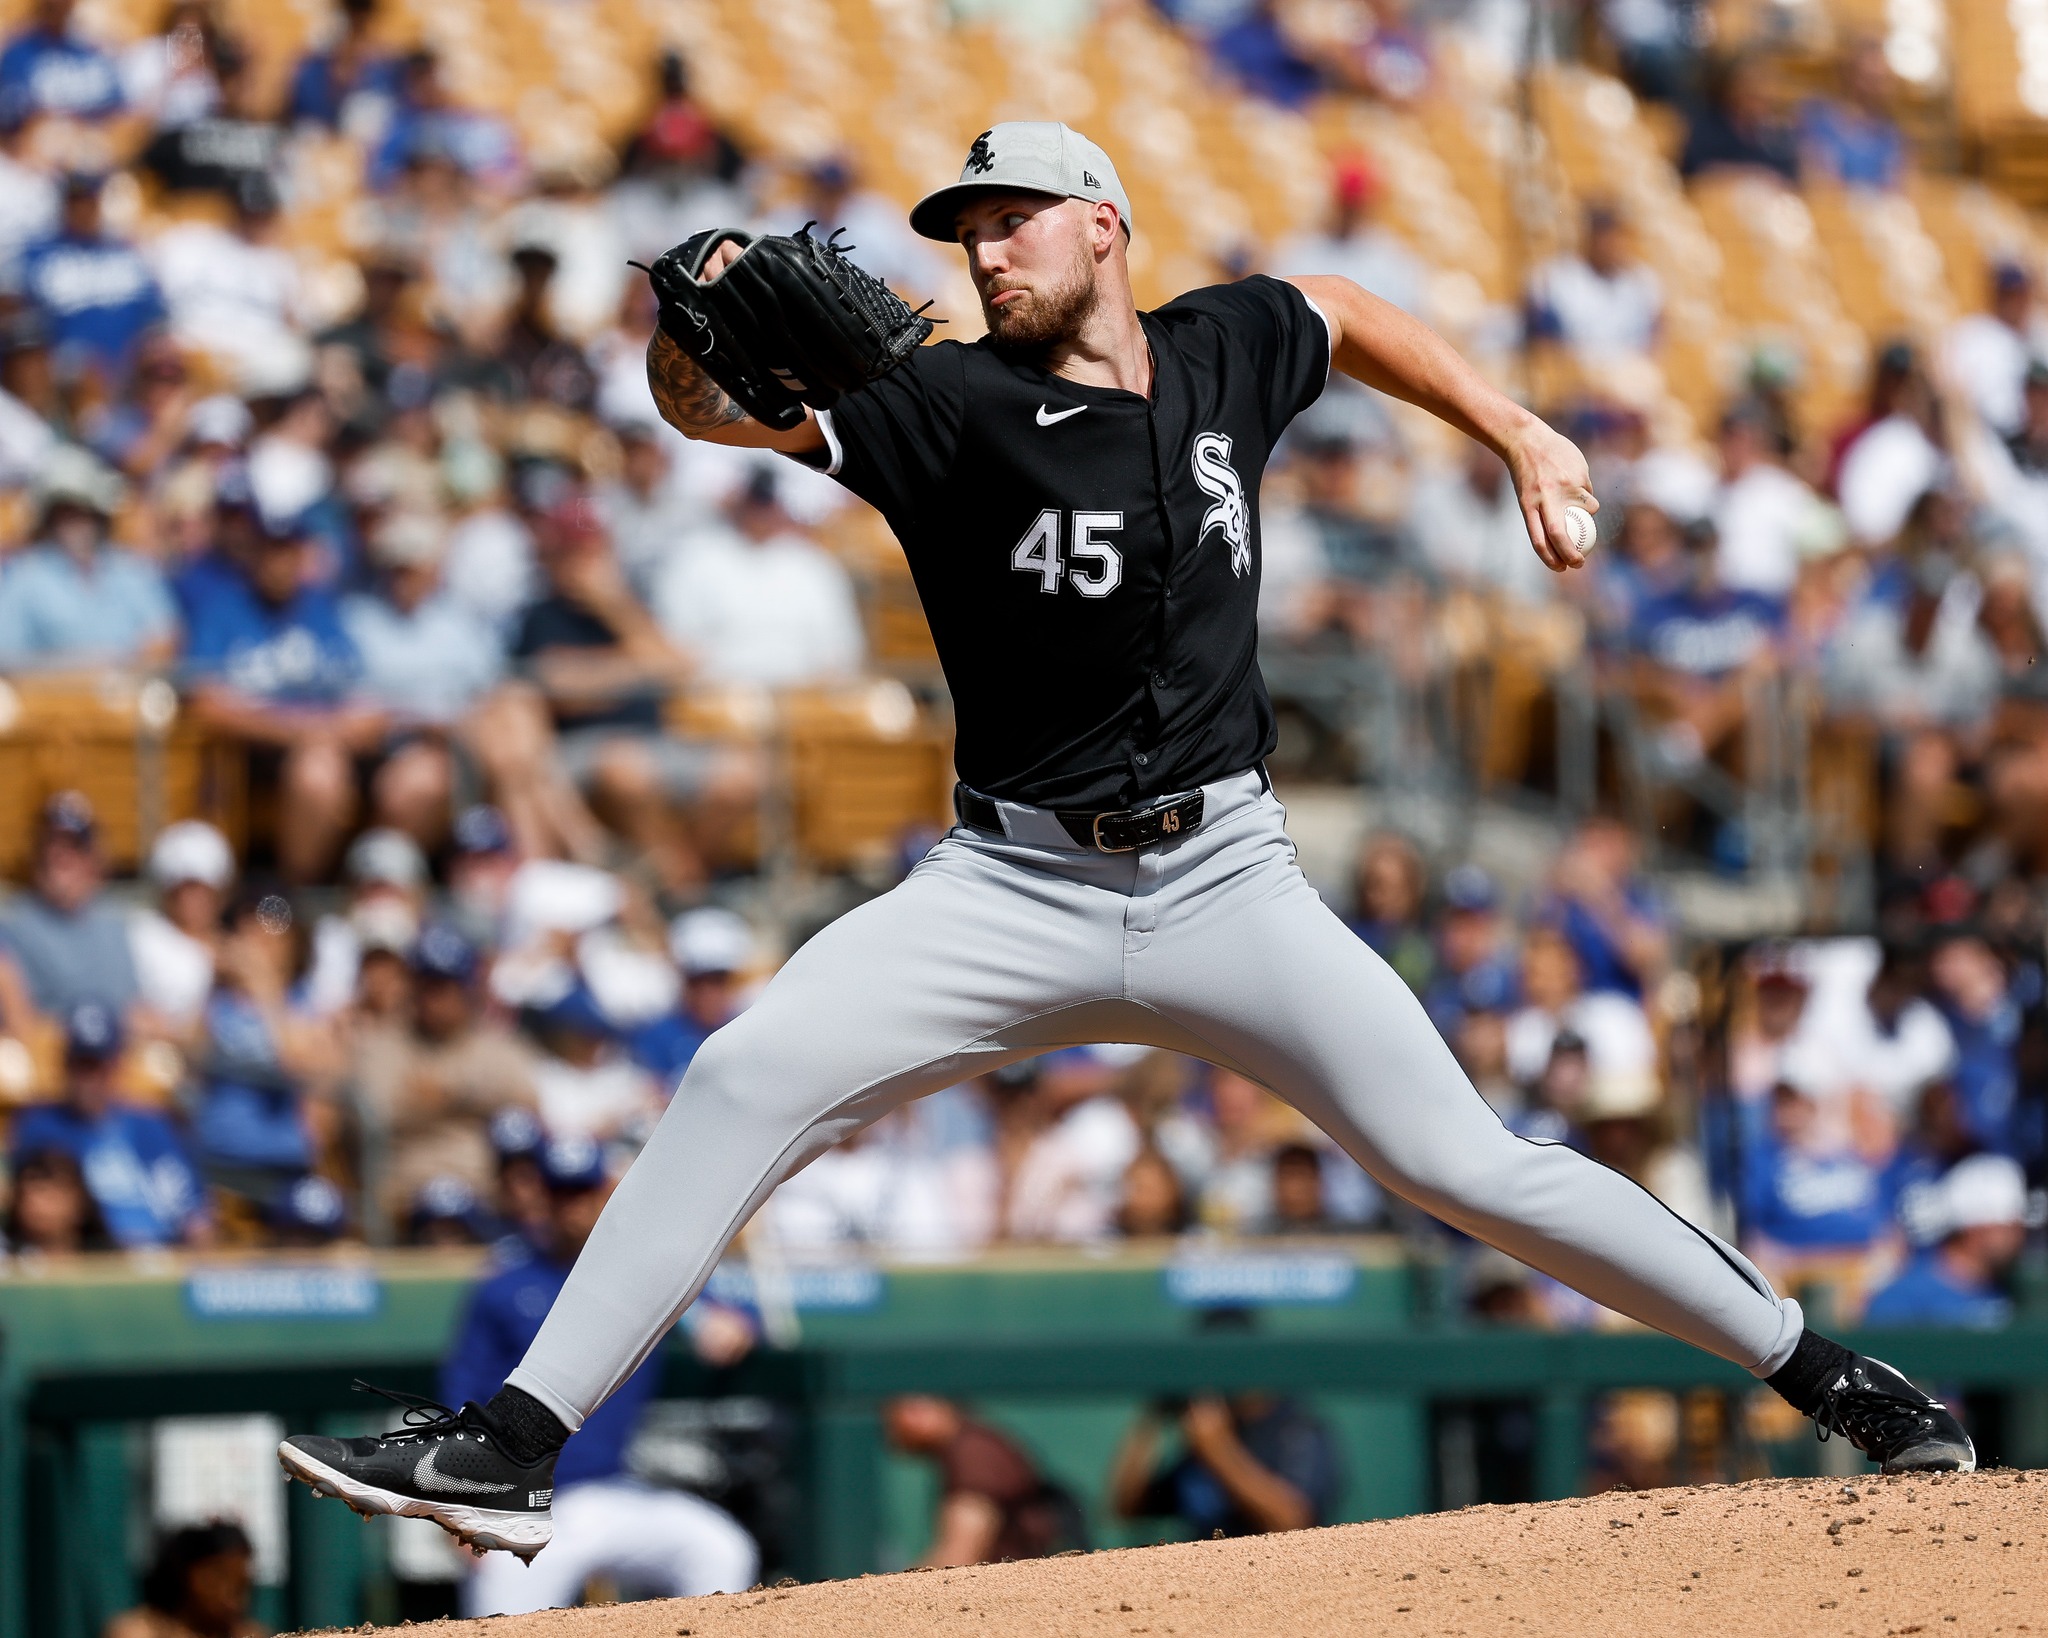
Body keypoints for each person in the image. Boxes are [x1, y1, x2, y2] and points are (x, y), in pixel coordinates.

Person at [281, 118, 1972, 1563]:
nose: (980, 248)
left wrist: (1516, 429)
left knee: (1462, 1162)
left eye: (1008, 216)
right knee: (741, 1073)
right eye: (959, 226)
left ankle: (1831, 1376)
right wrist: (692, 331)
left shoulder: (1223, 343)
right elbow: (704, 417)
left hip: (1226, 875)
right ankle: (509, 1450)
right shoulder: (939, 407)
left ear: (1103, 222)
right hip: (1008, 884)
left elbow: (1345, 307)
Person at [434, 1134, 755, 1613]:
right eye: (561, 1192)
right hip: (524, 1504)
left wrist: (737, 1323)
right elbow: (459, 1399)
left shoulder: (644, 1275)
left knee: (718, 1549)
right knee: (499, 1610)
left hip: (614, 1490)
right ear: (541, 1196)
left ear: (605, 1193)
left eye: (583, 1192)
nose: (573, 1207)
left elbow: (737, 1318)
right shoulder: (505, 1283)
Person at [351, 923, 539, 1228]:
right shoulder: (385, 1044)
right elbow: (376, 1112)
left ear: (467, 989)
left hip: (486, 1198)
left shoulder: (496, 1046)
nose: (432, 998)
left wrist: (451, 1096)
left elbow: (529, 1105)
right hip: (406, 1199)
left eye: (444, 986)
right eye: (425, 985)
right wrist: (478, 1105)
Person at [9, 1001, 210, 1248]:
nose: (90, 1080)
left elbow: (195, 1216)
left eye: (99, 1066)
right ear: (65, 1065)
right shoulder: (40, 1126)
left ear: (118, 1065)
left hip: (162, 1258)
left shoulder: (152, 1126)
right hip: (86, 1261)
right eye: (81, 1066)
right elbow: (27, 1210)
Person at [650, 465, 865, 687]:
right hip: (718, 695)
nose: (761, 512)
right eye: (755, 502)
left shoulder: (813, 564)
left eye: (768, 503)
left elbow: (840, 647)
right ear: (739, 502)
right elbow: (674, 643)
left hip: (802, 697)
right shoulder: (695, 556)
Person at [0, 443, 177, 670]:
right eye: (66, 512)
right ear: (50, 519)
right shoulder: (24, 576)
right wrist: (80, 668)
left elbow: (164, 638)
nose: (77, 523)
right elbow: (8, 656)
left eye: (84, 510)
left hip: (128, 698)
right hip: (51, 702)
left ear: (99, 514)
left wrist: (122, 668)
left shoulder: (134, 570)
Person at [0, 792, 143, 1024]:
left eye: (74, 844)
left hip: (118, 1051)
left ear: (93, 856)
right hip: (48, 1053)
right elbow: (21, 1023)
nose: (59, 854)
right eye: (49, 842)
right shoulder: (12, 924)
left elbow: (135, 1007)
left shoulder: (114, 923)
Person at [1108, 1393, 1340, 1537]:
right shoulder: (1207, 1437)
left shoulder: (1294, 1428)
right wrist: (1152, 1418)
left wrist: (1218, 1450)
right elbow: (1126, 1508)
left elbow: (1292, 1522)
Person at [881, 1395, 1075, 1565]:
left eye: (892, 1418)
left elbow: (960, 1555)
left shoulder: (972, 1451)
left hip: (1012, 1594)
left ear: (918, 1411)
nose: (891, 1432)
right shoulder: (967, 1444)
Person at [1865, 1154, 2029, 1329]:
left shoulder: (2016, 1290)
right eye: (2007, 1226)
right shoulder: (1902, 1299)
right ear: (1973, 1227)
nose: (2019, 1235)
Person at [1270, 155, 1425, 317]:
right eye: (1346, 203)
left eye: (1356, 204)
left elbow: (1407, 316)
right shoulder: (1299, 251)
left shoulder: (1392, 260)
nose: (1351, 210)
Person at [129, 819, 234, 1032]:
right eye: (181, 889)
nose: (191, 899)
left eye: (200, 888)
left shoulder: (232, 946)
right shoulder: (143, 935)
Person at [1525, 204, 1662, 365]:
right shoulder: (1557, 278)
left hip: (1627, 374)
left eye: (1617, 238)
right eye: (1604, 237)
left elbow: (1657, 332)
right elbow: (1541, 337)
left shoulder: (1642, 282)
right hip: (1575, 372)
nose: (1611, 245)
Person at [104, 1519, 264, 1638]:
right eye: (219, 1579)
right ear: (186, 1575)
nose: (232, 1600)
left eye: (241, 1587)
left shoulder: (250, 1634)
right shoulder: (137, 1632)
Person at [2, 1146, 112, 1255]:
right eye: (27, 1195)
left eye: (50, 1196)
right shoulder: (6, 1259)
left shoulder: (112, 1256)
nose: (37, 1204)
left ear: (80, 1200)